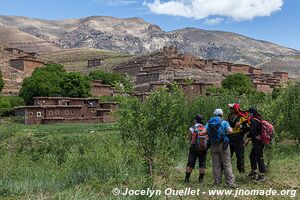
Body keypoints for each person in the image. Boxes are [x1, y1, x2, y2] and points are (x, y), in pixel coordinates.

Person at [202, 109, 236, 188]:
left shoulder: (209, 123)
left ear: (214, 114)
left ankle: (217, 183)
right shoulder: (224, 122)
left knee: (216, 165)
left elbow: (203, 132)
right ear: (221, 114)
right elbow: (230, 131)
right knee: (226, 164)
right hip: (223, 145)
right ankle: (230, 184)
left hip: (214, 145)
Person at [185, 114, 209, 183]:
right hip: (203, 148)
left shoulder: (192, 128)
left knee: (190, 164)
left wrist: (191, 143)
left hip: (194, 148)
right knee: (202, 164)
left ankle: (187, 179)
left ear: (195, 120)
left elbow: (189, 138)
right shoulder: (205, 127)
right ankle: (201, 180)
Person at [227, 103, 249, 173]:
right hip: (230, 137)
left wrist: (241, 126)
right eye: (230, 108)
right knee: (228, 155)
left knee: (239, 155)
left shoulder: (242, 117)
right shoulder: (230, 116)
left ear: (235, 109)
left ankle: (241, 170)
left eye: (231, 108)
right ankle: (227, 171)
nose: (230, 109)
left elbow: (248, 127)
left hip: (238, 138)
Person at [246, 108, 266, 182]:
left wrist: (248, 137)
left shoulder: (253, 121)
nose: (247, 114)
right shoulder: (258, 119)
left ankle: (262, 176)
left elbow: (252, 132)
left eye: (248, 113)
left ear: (251, 113)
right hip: (257, 142)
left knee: (259, 158)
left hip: (258, 142)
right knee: (252, 156)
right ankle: (253, 172)